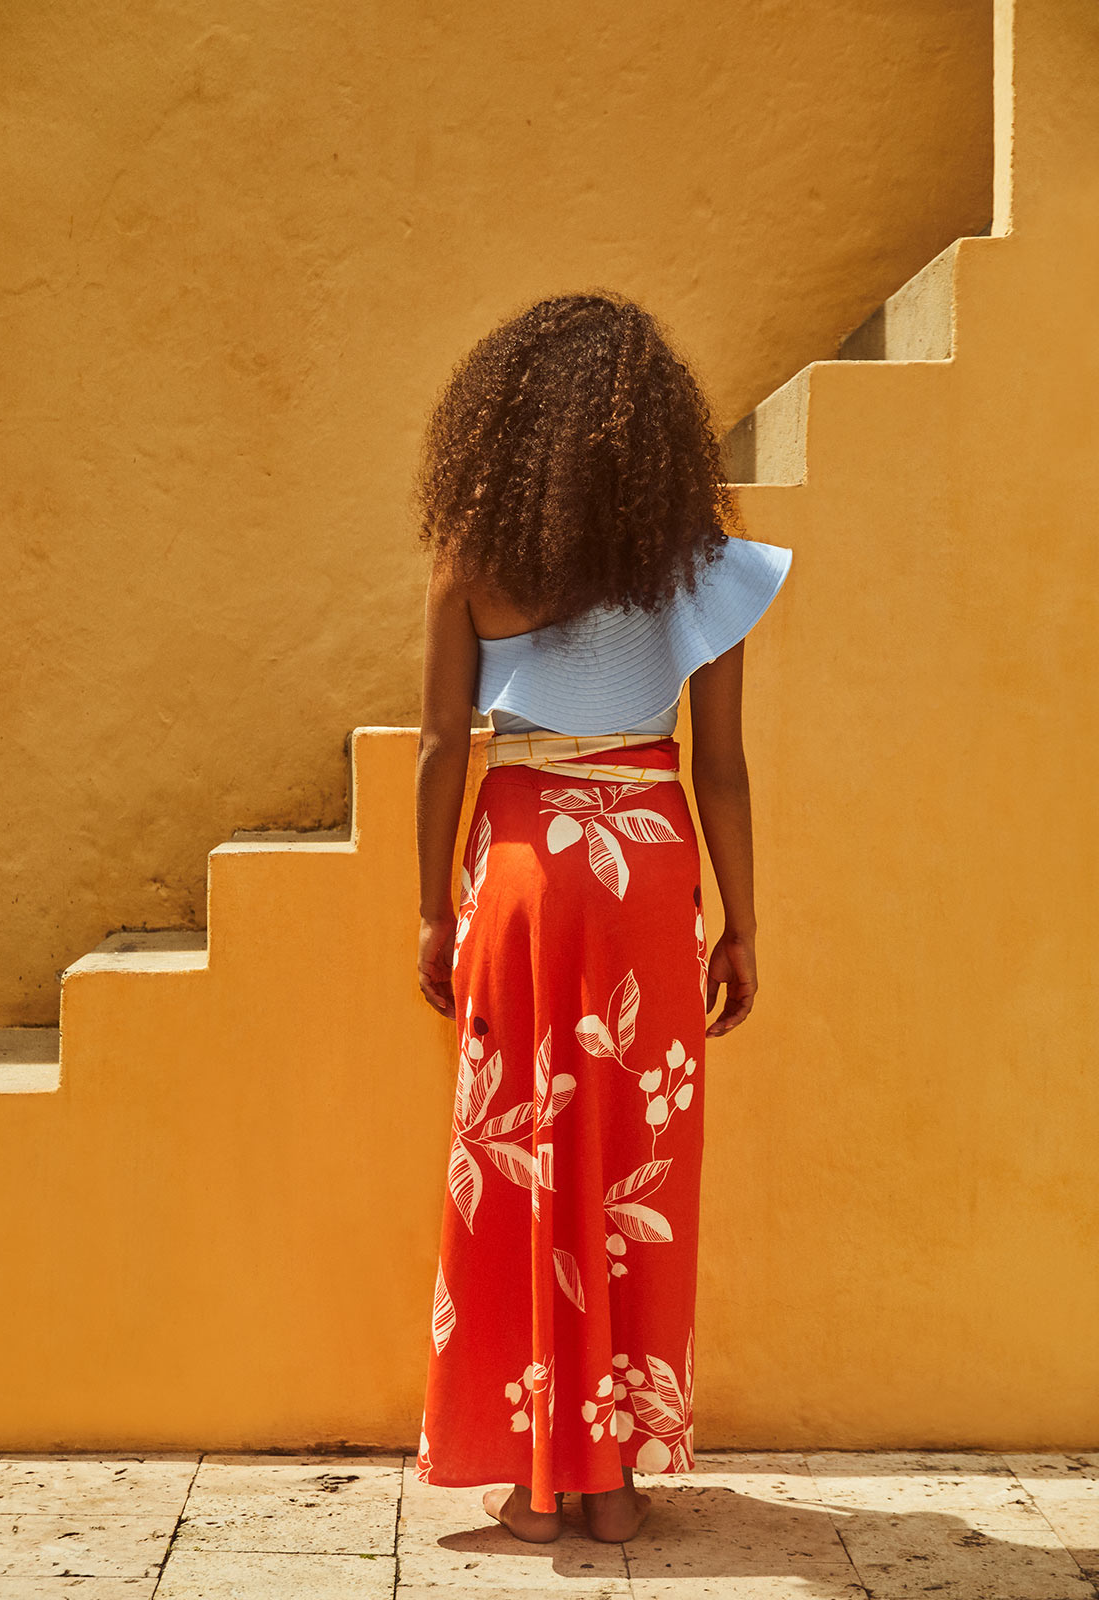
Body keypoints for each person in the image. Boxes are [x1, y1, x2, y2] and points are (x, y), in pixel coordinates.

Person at [411, 290, 793, 1545]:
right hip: (641, 868)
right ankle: (614, 1479)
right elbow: (719, 766)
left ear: (504, 424)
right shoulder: (700, 566)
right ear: (654, 431)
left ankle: (534, 1477)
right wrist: (742, 922)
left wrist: (429, 914)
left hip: (522, 871)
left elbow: (439, 749)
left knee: (523, 1160)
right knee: (632, 1164)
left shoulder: (472, 561)